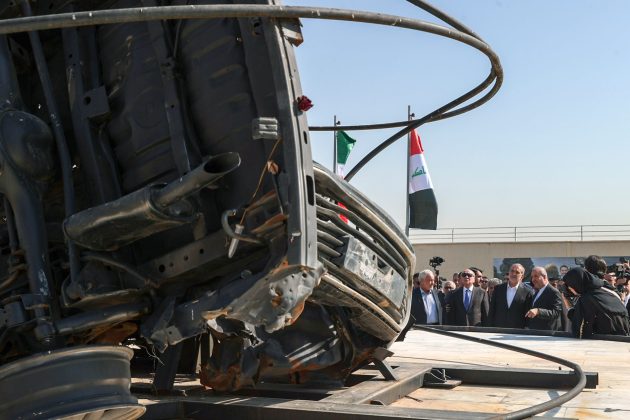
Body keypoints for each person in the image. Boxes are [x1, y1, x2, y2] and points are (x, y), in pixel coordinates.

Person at [563, 267, 630, 338]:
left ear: (577, 284)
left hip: (605, 342)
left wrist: (569, 307)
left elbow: (579, 328)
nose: (571, 290)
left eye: (570, 287)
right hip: (623, 338)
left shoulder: (586, 299)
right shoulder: (607, 289)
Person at [488, 263, 533, 328]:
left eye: (517, 272)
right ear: (509, 273)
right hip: (498, 329)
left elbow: (527, 313)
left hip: (517, 331)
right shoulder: (498, 289)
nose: (514, 274)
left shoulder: (528, 291)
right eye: (512, 271)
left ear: (522, 276)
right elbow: (492, 310)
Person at [525, 267, 563, 331]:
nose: (533, 279)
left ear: (545, 277)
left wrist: (538, 311)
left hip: (547, 334)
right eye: (532, 277)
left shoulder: (554, 292)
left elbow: (556, 313)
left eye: (536, 276)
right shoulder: (537, 291)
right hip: (535, 332)